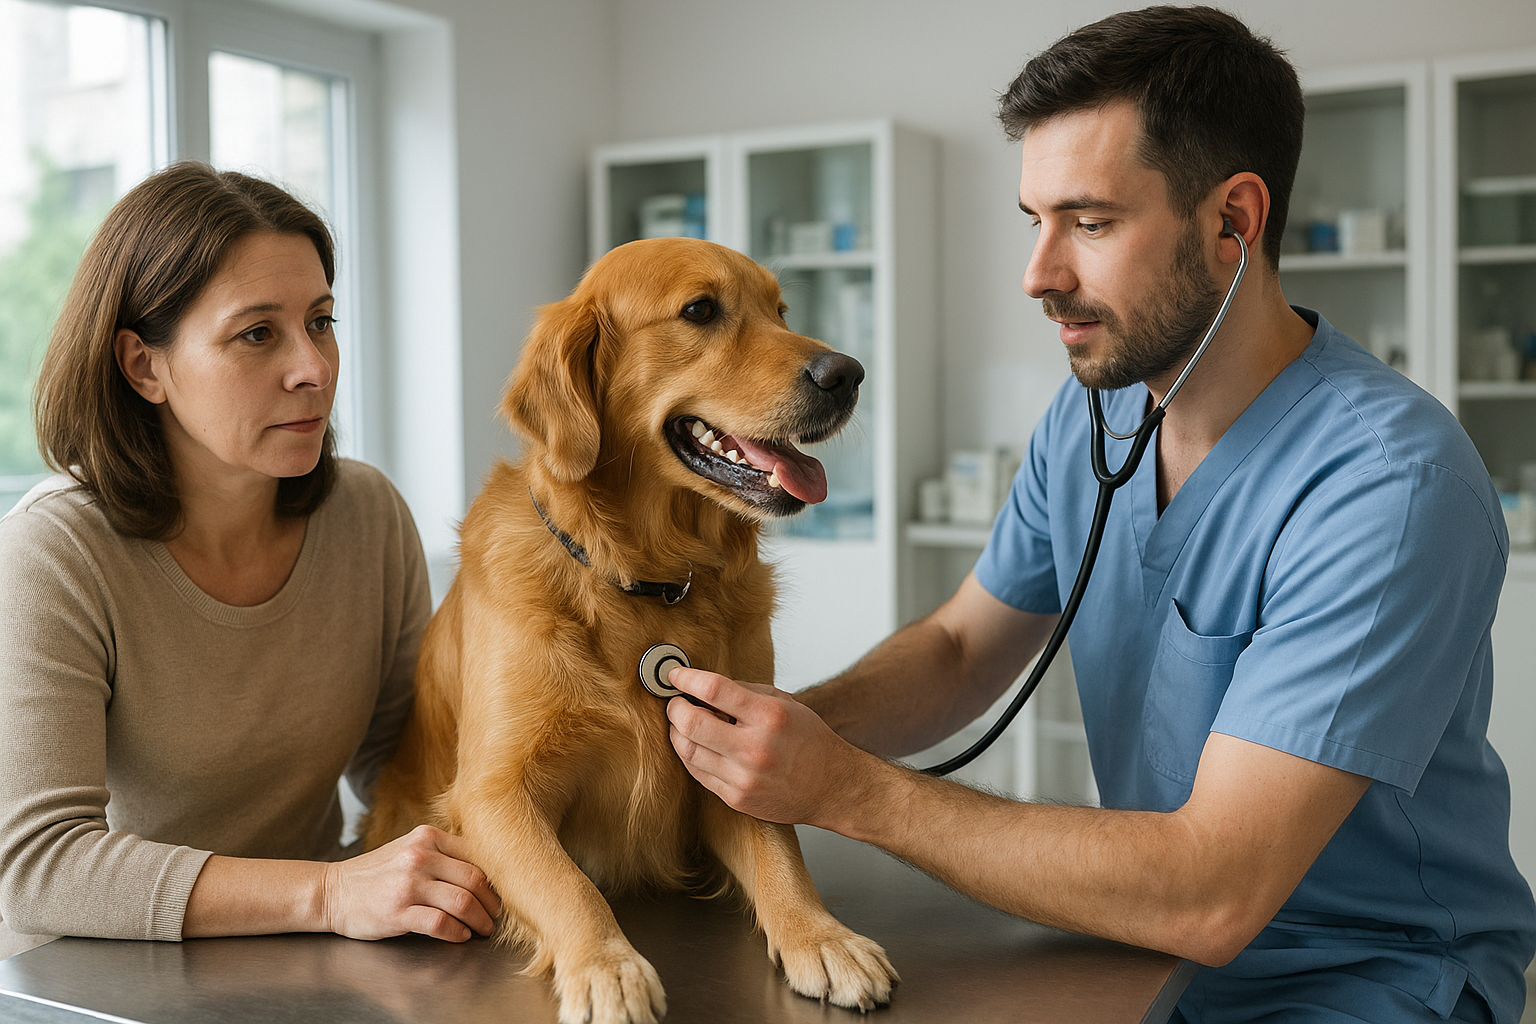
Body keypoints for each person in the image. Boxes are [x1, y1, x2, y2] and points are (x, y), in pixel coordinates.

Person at [663, 7, 1536, 1023]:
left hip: (1363, 979)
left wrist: (845, 787)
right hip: (1146, 951)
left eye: (1091, 222)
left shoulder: (1389, 487)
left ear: (1231, 224)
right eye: (1035, 221)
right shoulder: (1099, 413)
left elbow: (1214, 889)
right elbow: (958, 650)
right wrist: (764, 738)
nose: (1039, 274)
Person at [0, 162, 499, 960]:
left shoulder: (367, 515)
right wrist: (333, 891)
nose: (313, 368)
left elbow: (403, 762)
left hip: (310, 957)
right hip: (94, 979)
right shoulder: (52, 554)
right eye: (257, 333)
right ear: (144, 366)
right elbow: (39, 867)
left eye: (322, 322)